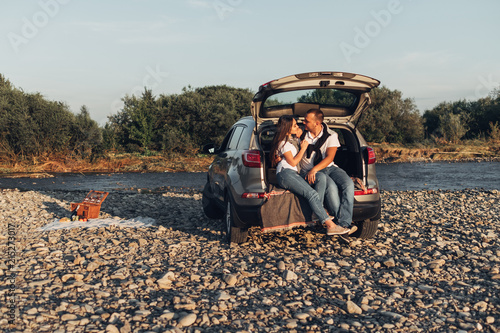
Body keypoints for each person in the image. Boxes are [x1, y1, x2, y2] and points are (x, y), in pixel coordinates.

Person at [270, 115, 349, 235]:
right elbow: (293, 162)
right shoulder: (283, 143)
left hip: (294, 173)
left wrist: (299, 137)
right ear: (287, 128)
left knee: (320, 177)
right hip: (285, 173)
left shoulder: (292, 140)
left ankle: (316, 212)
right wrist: (303, 148)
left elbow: (294, 150)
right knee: (311, 194)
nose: (298, 126)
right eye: (295, 125)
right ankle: (330, 225)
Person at [299, 109, 356, 232]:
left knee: (349, 184)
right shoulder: (301, 133)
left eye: (306, 121)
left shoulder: (331, 135)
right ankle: (341, 224)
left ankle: (344, 223)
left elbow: (330, 157)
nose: (303, 122)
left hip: (329, 167)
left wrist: (313, 170)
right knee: (331, 188)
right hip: (314, 171)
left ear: (317, 123)